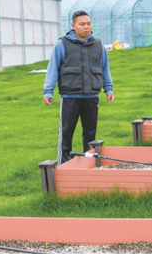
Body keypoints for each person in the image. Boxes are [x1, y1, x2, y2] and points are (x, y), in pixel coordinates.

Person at [43, 10, 114, 164]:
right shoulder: (62, 44)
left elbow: (105, 69)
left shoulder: (99, 45)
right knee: (66, 133)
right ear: (73, 26)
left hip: (91, 97)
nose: (86, 27)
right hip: (70, 97)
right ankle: (63, 164)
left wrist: (109, 88)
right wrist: (48, 91)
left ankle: (89, 163)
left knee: (90, 133)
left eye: (88, 24)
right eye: (82, 24)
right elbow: (52, 69)